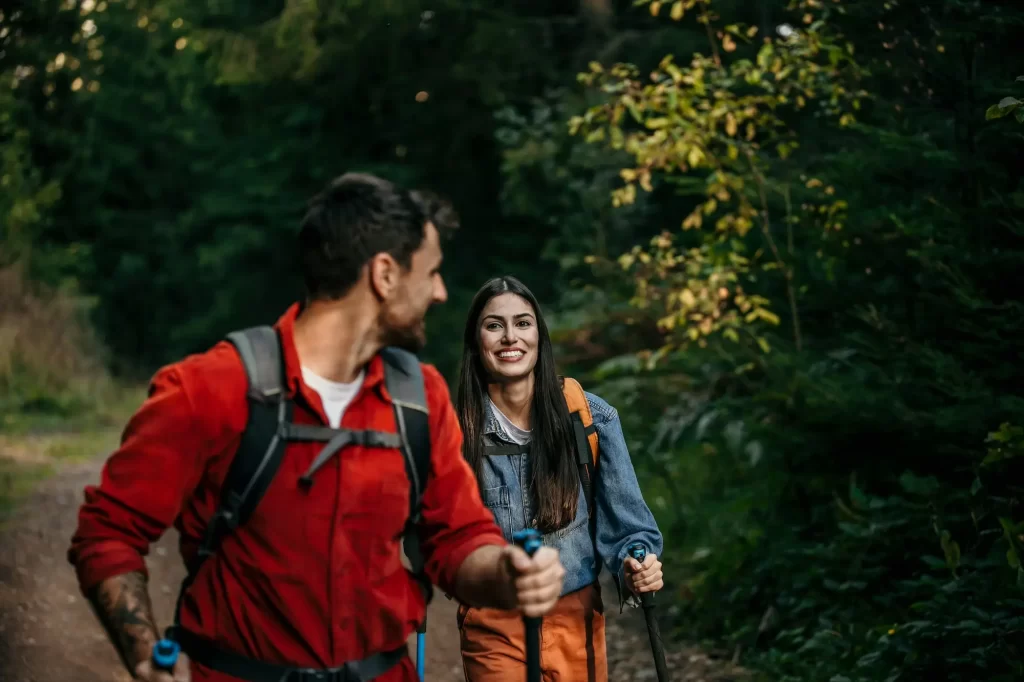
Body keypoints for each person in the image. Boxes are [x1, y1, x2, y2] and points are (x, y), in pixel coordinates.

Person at [67, 173, 566, 682]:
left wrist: (505, 573)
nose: (439, 293)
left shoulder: (421, 397)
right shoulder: (209, 389)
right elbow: (108, 532)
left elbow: (456, 538)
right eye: (431, 272)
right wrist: (145, 656)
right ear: (385, 274)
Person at [453, 275, 665, 681]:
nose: (509, 337)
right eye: (494, 325)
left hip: (575, 622)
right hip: (496, 624)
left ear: (539, 335)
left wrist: (638, 562)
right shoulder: (458, 433)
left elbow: (628, 528)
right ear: (476, 341)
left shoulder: (587, 417)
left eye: (523, 323)